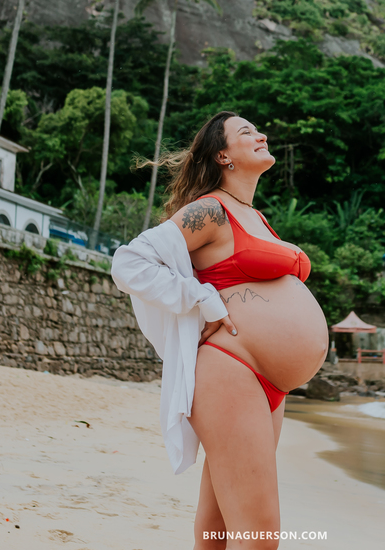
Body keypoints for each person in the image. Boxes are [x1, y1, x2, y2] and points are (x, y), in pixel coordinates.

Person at [112, 111, 329, 550]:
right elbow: (129, 263)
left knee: (218, 531)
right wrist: (202, 300)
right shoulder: (210, 209)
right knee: (259, 537)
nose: (261, 134)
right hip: (232, 371)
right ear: (223, 156)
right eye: (246, 131)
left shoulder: (256, 216)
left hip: (269, 386)